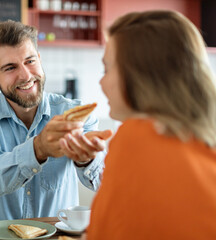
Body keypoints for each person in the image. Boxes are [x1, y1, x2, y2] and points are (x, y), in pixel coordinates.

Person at [70, 10, 216, 239]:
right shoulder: (202, 137)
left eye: (107, 69)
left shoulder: (136, 137)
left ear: (139, 75)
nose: (101, 81)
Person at [0, 20, 112, 226]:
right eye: (10, 67)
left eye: (30, 61)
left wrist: (87, 159)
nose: (26, 75)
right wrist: (38, 149)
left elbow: (106, 183)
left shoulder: (74, 113)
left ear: (39, 59)